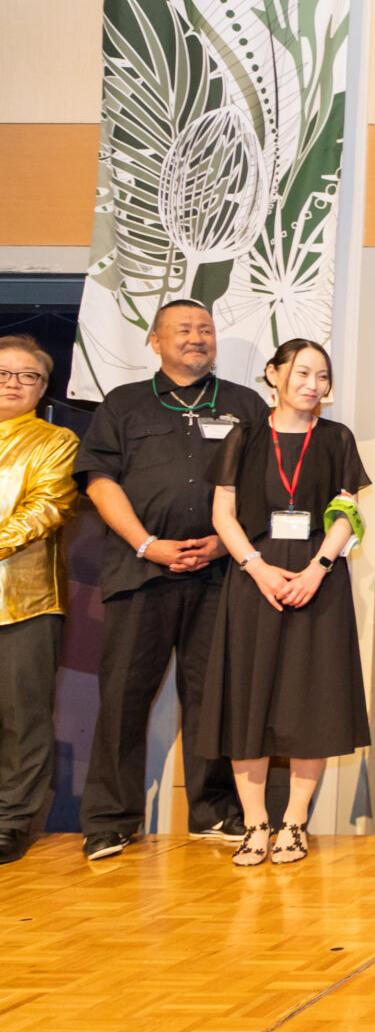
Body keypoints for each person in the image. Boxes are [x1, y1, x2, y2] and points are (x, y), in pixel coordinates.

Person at [73, 298, 260, 859]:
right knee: (124, 697)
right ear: (154, 341)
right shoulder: (123, 403)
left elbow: (264, 487)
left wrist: (224, 541)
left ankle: (215, 811)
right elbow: (99, 481)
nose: (196, 337)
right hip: (140, 571)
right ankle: (110, 820)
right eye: (182, 329)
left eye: (205, 328)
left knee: (213, 697)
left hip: (220, 572)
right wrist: (146, 544)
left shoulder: (245, 404)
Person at [201, 340, 371, 866]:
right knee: (247, 701)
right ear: (273, 375)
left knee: (311, 701)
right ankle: (255, 825)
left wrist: (319, 569)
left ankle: (295, 823)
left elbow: (347, 514)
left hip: (319, 582)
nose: (313, 384)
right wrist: (256, 567)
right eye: (302, 373)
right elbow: (222, 515)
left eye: (322, 376)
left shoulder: (337, 438)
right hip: (256, 579)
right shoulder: (245, 435)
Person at [0, 336, 80, 866]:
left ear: (43, 388)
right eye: (3, 373)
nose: (13, 383)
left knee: (22, 720)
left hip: (24, 602)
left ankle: (10, 823)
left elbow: (48, 507)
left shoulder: (56, 440)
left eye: (27, 376)